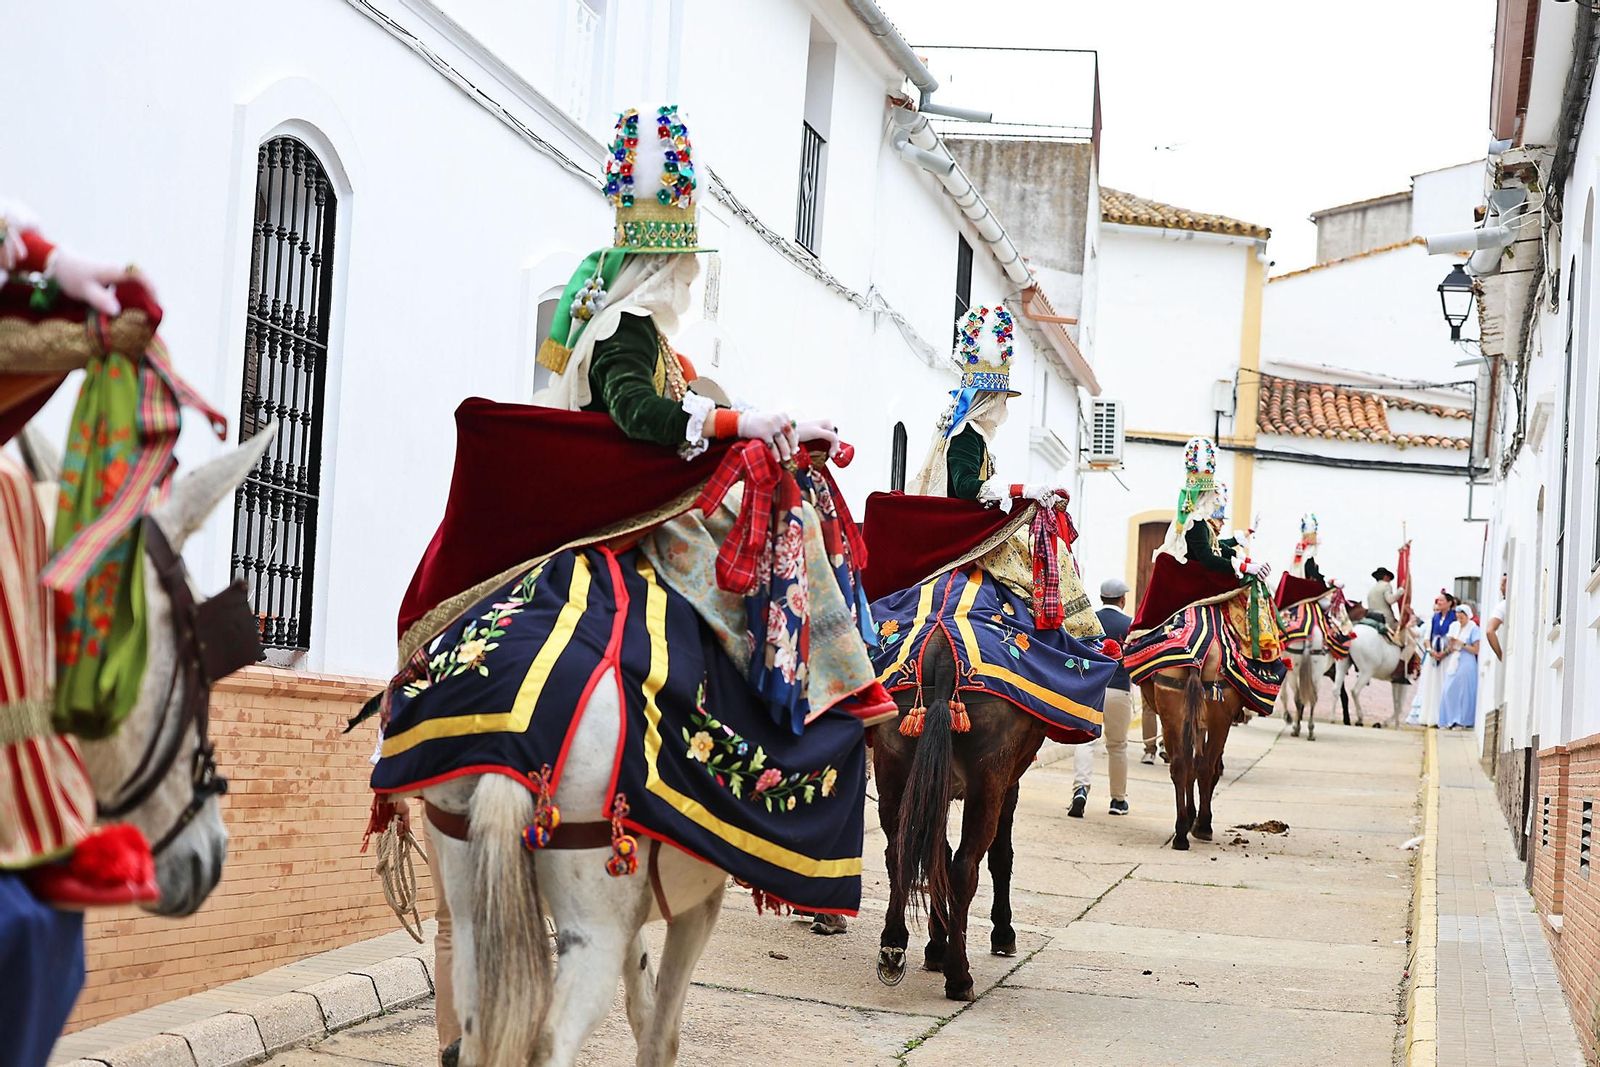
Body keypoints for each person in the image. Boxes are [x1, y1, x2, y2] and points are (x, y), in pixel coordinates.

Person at [1071, 579, 1134, 816]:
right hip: (1119, 689)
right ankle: (1118, 800)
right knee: (1117, 746)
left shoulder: (1089, 621)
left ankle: (1080, 790)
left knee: (1085, 741)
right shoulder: (1129, 624)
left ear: (1101, 598)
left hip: (1090, 690)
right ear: (1123, 599)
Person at [1437, 602, 1482, 729]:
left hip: (1467, 661)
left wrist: (1461, 644)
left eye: (1462, 618)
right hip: (1455, 660)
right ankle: (1448, 719)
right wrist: (1450, 646)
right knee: (1448, 689)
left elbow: (1475, 649)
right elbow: (1451, 646)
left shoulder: (1473, 628)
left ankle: (1463, 720)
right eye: (1458, 618)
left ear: (1468, 616)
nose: (1460, 620)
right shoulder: (1455, 627)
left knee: (1464, 692)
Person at [1486, 575, 1507, 659]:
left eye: (1502, 585)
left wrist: (1501, 656)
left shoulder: (1503, 606)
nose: (1501, 589)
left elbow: (1489, 631)